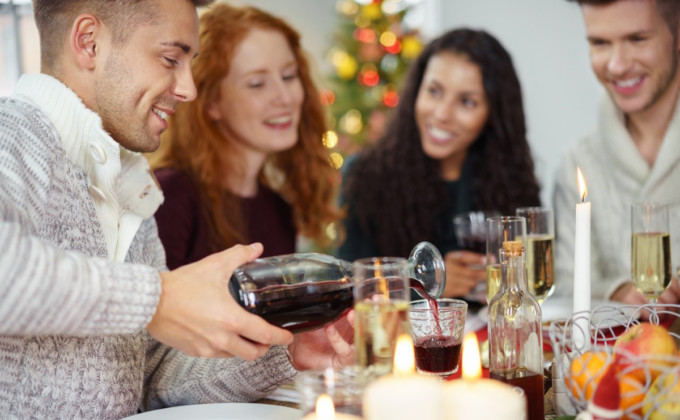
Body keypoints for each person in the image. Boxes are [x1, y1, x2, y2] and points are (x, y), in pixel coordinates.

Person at [0, 1, 352, 418]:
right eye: (170, 59)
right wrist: (159, 298)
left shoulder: (129, 185)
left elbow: (153, 376)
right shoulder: (12, 138)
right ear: (88, 43)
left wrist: (286, 351)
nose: (189, 89)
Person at [338, 28, 541, 299]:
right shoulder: (365, 178)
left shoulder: (512, 181)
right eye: (434, 91)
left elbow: (533, 280)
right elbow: (349, 289)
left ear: (493, 114)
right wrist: (429, 283)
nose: (442, 114)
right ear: (415, 92)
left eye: (467, 101)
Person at [148, 3, 342, 269]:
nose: (284, 98)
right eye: (257, 84)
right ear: (211, 101)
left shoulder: (279, 209)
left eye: (288, 76)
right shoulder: (168, 197)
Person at [555, 0, 680, 305]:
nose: (617, 65)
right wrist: (618, 292)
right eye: (599, 43)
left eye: (637, 39)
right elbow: (564, 285)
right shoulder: (577, 163)